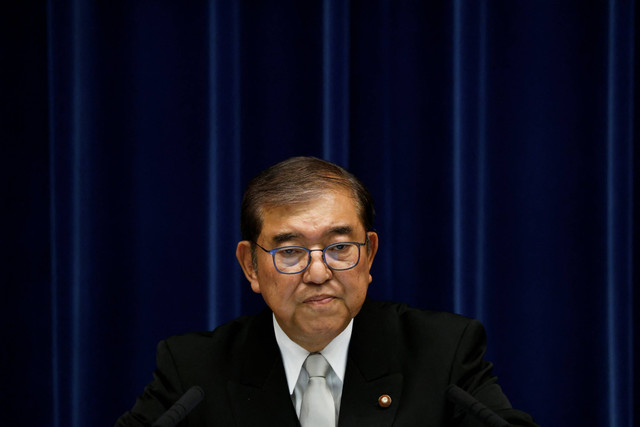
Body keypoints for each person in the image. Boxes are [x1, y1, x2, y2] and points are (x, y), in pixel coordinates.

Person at [116, 156, 537, 426]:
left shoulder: (443, 353)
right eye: (291, 251)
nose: (318, 273)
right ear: (251, 265)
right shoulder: (193, 370)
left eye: (339, 248)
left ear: (369, 254)